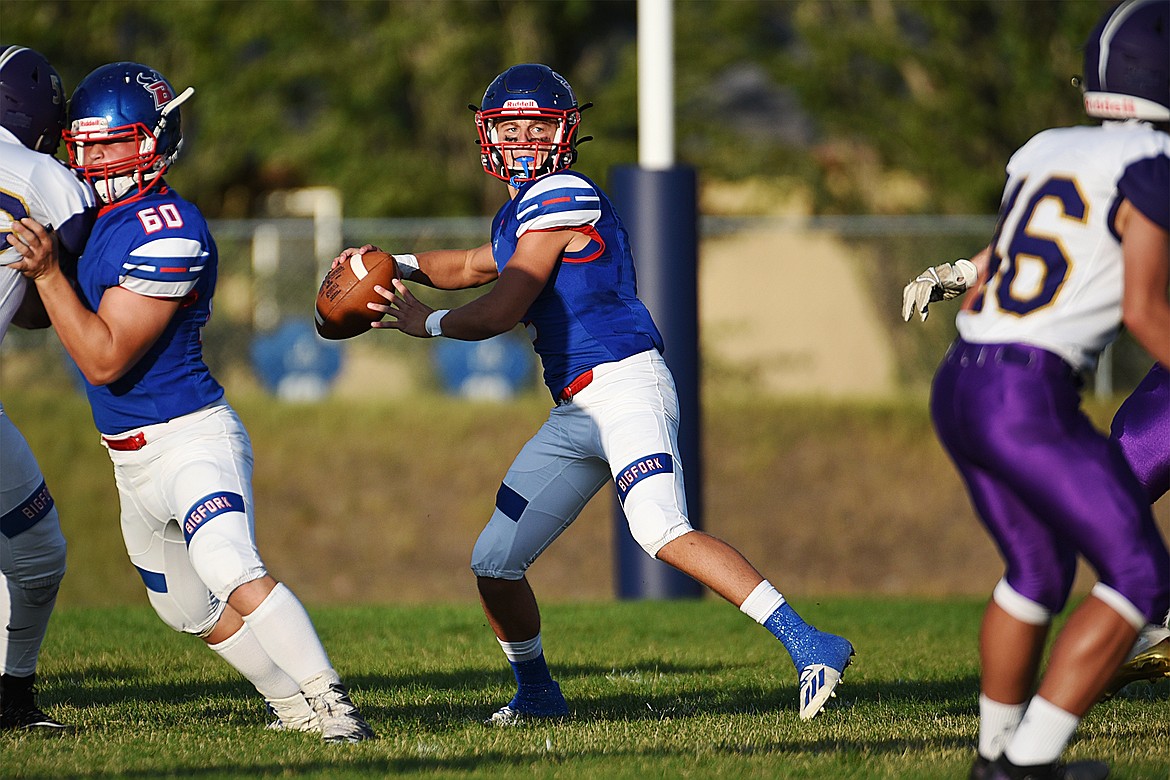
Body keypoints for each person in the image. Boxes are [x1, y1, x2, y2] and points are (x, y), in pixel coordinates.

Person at [333, 62, 855, 724]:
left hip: (625, 384)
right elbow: (468, 266)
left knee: (661, 530)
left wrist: (425, 321)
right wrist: (389, 262)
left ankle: (813, 646)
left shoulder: (566, 194)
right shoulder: (518, 214)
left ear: (565, 132)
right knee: (495, 560)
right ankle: (539, 692)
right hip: (576, 409)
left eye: (536, 125)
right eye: (510, 127)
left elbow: (503, 303)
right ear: (488, 135)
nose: (522, 139)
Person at [5, 61, 374, 742]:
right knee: (184, 608)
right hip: (127, 458)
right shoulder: (86, 220)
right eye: (83, 142)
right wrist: (26, 266)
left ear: (154, 141)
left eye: (113, 142)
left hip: (187, 439)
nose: (93, 157)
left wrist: (49, 272)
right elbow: (39, 315)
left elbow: (104, 354)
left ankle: (335, 708)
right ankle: (292, 711)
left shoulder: (168, 225)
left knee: (229, 564)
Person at [905, 1, 1169, 777]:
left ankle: (994, 757)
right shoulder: (1153, 168)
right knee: (1141, 580)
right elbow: (1146, 309)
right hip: (1027, 394)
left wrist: (960, 271)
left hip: (961, 380)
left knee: (1038, 571)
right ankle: (1030, 761)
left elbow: (1026, 245)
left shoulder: (1049, 148)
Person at [0, 45, 96, 731]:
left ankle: (11, 701)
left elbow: (35, 300)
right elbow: (62, 297)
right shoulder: (42, 175)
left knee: (36, 551)